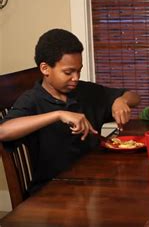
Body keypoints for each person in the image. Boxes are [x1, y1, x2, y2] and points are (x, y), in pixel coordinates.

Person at [0, 28, 140, 193]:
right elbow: (3, 131)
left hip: (93, 183)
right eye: (68, 72)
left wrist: (120, 100)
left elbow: (134, 97)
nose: (76, 78)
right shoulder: (33, 100)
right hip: (52, 191)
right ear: (45, 69)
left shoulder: (85, 91)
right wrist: (58, 114)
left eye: (78, 70)